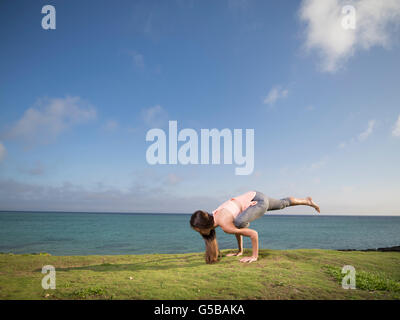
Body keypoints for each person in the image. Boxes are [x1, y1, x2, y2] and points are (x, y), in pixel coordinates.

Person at [190, 191, 320, 264]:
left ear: (204, 225)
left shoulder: (224, 224)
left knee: (239, 223)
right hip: (255, 194)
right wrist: (240, 251)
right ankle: (306, 201)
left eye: (199, 230)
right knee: (282, 203)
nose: (201, 233)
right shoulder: (215, 213)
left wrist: (254, 256)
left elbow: (253, 234)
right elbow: (236, 228)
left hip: (258, 203)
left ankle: (253, 255)